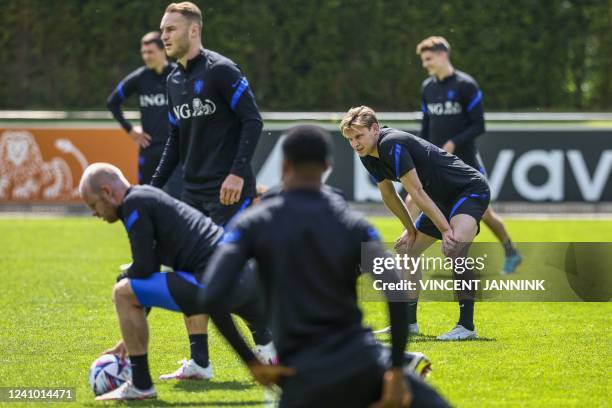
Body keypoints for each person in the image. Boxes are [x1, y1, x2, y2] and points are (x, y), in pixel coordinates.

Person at [199, 125, 450, 407]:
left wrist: (252, 363)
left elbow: (211, 295)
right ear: (327, 167)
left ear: (284, 165)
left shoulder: (252, 223)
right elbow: (395, 290)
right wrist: (394, 370)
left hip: (303, 379)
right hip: (362, 365)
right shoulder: (352, 224)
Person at [78, 163, 275, 401]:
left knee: (122, 291)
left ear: (108, 193)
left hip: (214, 282)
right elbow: (149, 275)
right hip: (242, 278)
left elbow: (143, 268)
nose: (94, 213)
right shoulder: (146, 197)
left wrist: (126, 275)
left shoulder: (134, 205)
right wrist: (127, 340)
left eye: (93, 205)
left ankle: (141, 385)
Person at [342, 106, 490, 341]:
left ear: (375, 129)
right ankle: (409, 323)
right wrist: (410, 230)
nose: (355, 144)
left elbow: (417, 191)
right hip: (439, 199)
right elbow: (389, 195)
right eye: (350, 139)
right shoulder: (367, 155)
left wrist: (444, 229)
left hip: (468, 190)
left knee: (454, 248)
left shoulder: (393, 144)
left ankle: (466, 326)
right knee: (406, 249)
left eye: (358, 136)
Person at [416, 36, 522, 275]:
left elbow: (479, 125)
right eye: (423, 60)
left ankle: (510, 250)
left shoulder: (466, 85)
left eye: (429, 59)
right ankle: (407, 249)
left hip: (467, 168)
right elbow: (425, 127)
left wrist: (454, 142)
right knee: (414, 198)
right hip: (437, 166)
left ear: (443, 55)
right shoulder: (428, 88)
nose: (426, 65)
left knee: (486, 215)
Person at [106, 31, 182, 198]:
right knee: (147, 199)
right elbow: (112, 103)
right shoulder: (140, 77)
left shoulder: (179, 74)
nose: (146, 56)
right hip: (150, 149)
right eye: (143, 53)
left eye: (151, 52)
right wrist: (131, 131)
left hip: (178, 150)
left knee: (181, 200)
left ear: (163, 51)